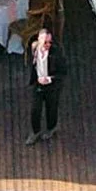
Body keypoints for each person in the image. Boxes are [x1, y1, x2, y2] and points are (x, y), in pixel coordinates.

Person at [27, 13, 62, 142]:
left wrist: (50, 79)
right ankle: (35, 132)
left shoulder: (56, 54)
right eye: (45, 42)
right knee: (35, 109)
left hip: (52, 86)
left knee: (51, 108)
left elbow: (62, 72)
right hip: (38, 84)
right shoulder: (34, 47)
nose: (47, 44)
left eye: (49, 42)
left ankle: (51, 128)